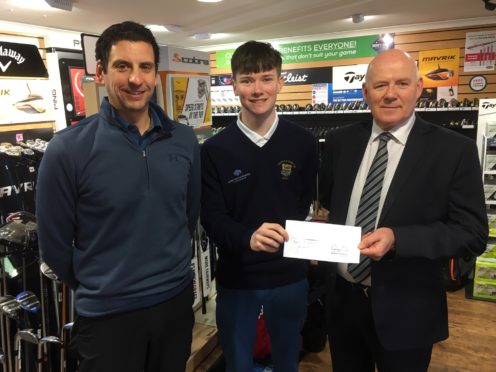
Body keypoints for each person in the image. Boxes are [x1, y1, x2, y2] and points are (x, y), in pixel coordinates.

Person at [36, 21, 200, 372]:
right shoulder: (67, 150)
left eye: (145, 67)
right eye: (122, 66)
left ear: (156, 74)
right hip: (108, 316)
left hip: (174, 303)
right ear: (100, 72)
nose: (135, 79)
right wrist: (104, 282)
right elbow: (55, 246)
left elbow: (188, 214)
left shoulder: (184, 140)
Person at [319, 49, 488, 372]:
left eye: (401, 83)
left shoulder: (454, 150)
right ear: (366, 92)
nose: (391, 94)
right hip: (343, 305)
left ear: (418, 88)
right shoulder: (340, 143)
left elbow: (472, 234)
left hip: (408, 308)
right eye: (380, 85)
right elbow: (332, 206)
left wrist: (398, 238)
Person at [200, 40, 318, 372]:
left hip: (290, 278)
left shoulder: (304, 142)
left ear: (281, 81)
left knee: (286, 360)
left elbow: (304, 203)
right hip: (238, 279)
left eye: (266, 78)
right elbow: (211, 216)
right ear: (233, 84)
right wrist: (247, 237)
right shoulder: (214, 150)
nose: (257, 89)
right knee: (238, 363)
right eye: (247, 80)